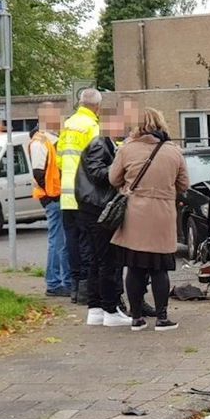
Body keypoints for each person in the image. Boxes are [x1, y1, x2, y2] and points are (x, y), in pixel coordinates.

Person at [109, 108, 189, 331]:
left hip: (135, 214)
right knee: (159, 269)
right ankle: (162, 318)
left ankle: (136, 318)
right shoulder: (173, 152)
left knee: (134, 268)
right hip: (163, 215)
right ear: (161, 124)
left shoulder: (127, 150)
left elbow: (113, 178)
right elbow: (184, 184)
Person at [75, 105, 131, 327]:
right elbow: (99, 173)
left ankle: (96, 307)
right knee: (108, 260)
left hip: (90, 207)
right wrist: (119, 167)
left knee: (97, 260)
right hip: (98, 208)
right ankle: (110, 309)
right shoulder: (100, 144)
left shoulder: (102, 143)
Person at [57, 89, 102, 305]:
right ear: (97, 106)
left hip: (66, 193)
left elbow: (59, 159)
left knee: (71, 241)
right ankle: (85, 288)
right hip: (84, 192)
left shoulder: (68, 124)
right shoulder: (92, 126)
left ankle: (74, 286)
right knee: (87, 242)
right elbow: (97, 159)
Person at [29, 103, 70, 297]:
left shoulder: (51, 139)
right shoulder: (41, 141)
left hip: (58, 195)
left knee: (61, 240)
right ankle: (54, 282)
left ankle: (62, 280)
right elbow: (38, 172)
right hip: (54, 197)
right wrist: (50, 194)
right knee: (58, 241)